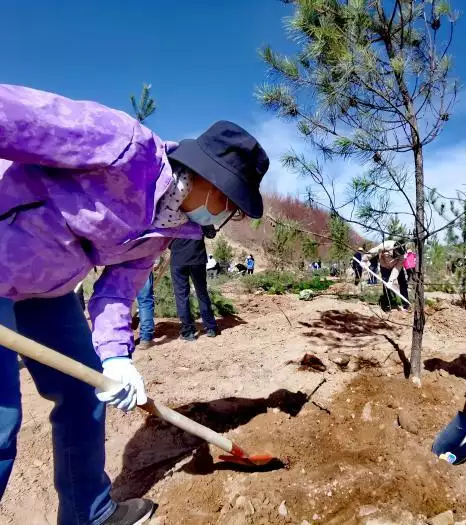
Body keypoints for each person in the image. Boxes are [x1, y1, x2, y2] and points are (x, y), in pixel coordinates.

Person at [0, 84, 268, 524]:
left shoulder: (166, 231)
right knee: (1, 421)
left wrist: (115, 357)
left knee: (85, 393)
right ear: (208, 177)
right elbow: (14, 117)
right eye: (230, 203)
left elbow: (115, 291)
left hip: (49, 291)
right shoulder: (120, 146)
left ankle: (90, 513)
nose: (228, 217)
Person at [169, 225, 219, 341]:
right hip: (197, 258)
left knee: (181, 296)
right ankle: (210, 328)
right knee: (202, 293)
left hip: (178, 259)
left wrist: (177, 246)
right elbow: (211, 234)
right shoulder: (199, 212)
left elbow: (166, 240)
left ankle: (188, 332)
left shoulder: (171, 213)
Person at [364, 240, 408, 312]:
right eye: (397, 253)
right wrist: (364, 259)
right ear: (395, 249)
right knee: (386, 284)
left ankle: (405, 304)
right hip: (384, 266)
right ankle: (388, 304)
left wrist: (391, 281)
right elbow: (374, 251)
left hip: (395, 267)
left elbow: (397, 269)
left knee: (403, 283)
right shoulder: (386, 245)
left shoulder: (402, 255)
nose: (398, 255)